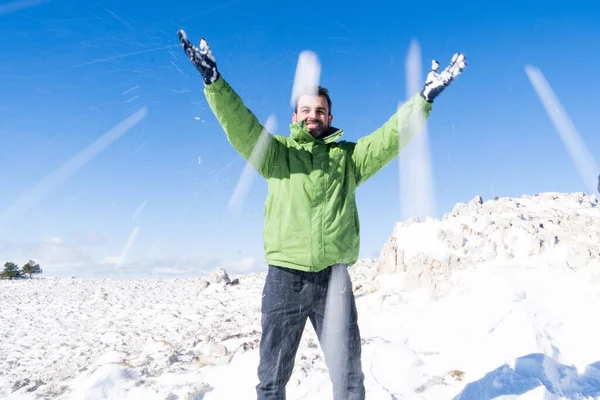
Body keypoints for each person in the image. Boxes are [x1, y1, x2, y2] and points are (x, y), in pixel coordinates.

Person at [177, 29, 466, 400]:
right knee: (271, 381)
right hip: (285, 280)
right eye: (307, 110)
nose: (314, 116)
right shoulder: (276, 155)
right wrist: (214, 83)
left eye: (320, 111)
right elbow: (242, 126)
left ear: (330, 116)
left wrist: (422, 101)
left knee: (349, 379)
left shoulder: (346, 158)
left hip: (334, 281)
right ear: (295, 116)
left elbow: (389, 138)